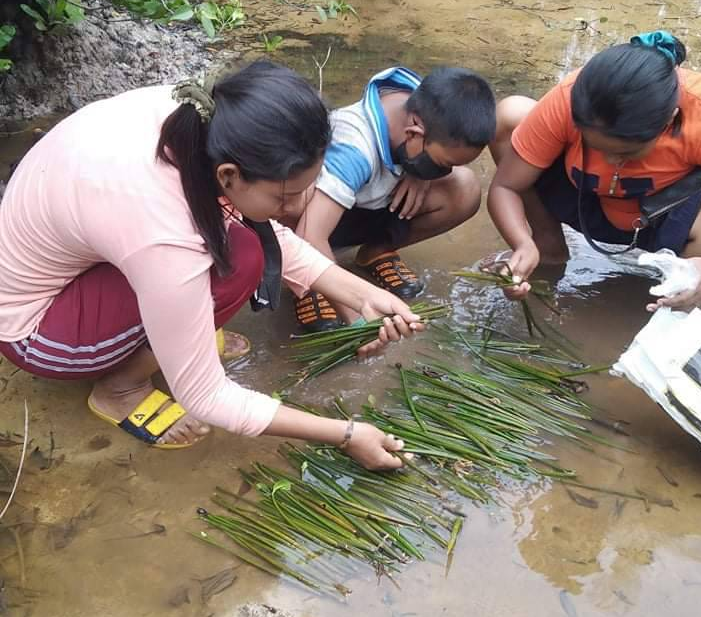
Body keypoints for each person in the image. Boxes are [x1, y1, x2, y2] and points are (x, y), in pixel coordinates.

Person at [0, 60, 424, 469]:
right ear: (227, 175)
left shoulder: (201, 114)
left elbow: (269, 233)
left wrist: (366, 295)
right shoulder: (163, 233)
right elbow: (205, 396)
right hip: (36, 333)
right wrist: (347, 434)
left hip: (86, 261)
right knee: (236, 260)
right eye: (284, 197)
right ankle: (120, 388)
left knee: (242, 245)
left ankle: (173, 335)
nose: (296, 208)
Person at [488, 31, 701, 311]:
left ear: (668, 122)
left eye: (626, 153)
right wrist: (523, 243)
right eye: (594, 146)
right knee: (512, 114)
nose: (610, 161)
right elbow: (506, 186)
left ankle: (675, 286)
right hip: (584, 201)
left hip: (662, 219)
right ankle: (548, 246)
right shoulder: (571, 98)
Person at [289, 65, 495, 331]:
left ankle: (376, 251)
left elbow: (438, 157)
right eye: (440, 164)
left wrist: (422, 173)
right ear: (413, 132)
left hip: (375, 203)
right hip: (318, 220)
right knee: (298, 196)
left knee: (464, 188)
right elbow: (311, 234)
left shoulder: (428, 104)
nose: (441, 172)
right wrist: (356, 317)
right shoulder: (354, 148)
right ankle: (307, 283)